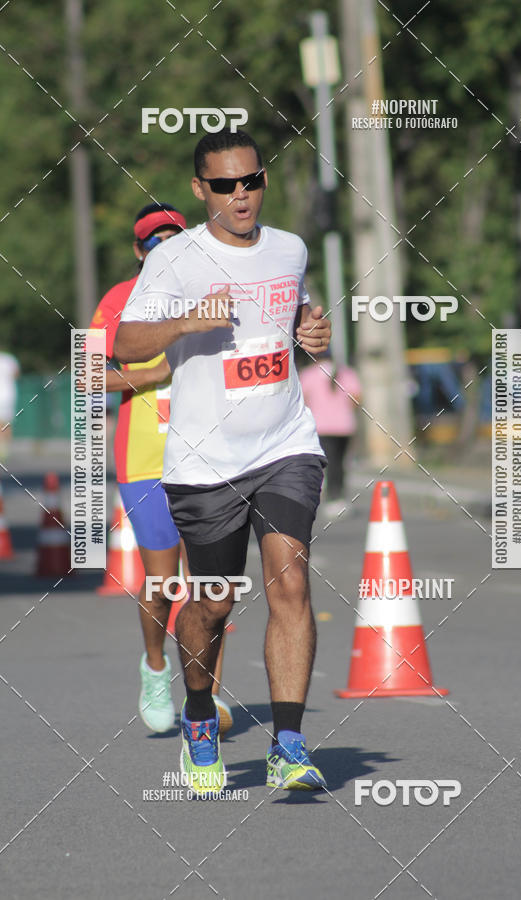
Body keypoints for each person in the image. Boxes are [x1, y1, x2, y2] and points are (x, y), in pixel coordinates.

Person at [114, 129, 332, 793]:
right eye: (225, 186)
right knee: (212, 601)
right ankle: (200, 717)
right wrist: (184, 323)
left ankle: (289, 745)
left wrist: (310, 333)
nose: (242, 196)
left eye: (252, 181)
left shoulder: (290, 249)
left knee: (289, 584)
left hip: (285, 443)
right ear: (199, 189)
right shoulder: (175, 260)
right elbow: (124, 343)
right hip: (204, 461)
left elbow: (287, 322)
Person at [89, 203, 233, 736]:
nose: (165, 249)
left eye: (176, 239)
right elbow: (88, 378)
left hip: (211, 454)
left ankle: (209, 698)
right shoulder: (116, 301)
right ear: (138, 251)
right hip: (145, 455)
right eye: (154, 242)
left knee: (212, 585)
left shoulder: (214, 291)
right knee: (162, 581)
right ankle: (154, 668)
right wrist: (153, 370)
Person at [300, 352, 361, 518]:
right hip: (344, 426)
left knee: (325, 463)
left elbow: (303, 400)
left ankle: (326, 496)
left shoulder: (309, 374)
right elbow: (356, 398)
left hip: (321, 427)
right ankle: (337, 497)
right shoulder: (347, 373)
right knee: (339, 463)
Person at [0, 350, 20, 461]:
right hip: (8, 396)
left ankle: (3, 449)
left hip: (6, 395)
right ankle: (4, 449)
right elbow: (16, 375)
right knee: (6, 423)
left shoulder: (9, 359)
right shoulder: (9, 359)